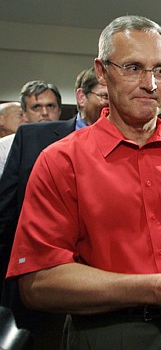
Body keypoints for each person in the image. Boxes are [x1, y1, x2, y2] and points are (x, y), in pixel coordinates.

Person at [6, 15, 161, 350]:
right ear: (101, 72)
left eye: (160, 70)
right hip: (105, 332)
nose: (150, 83)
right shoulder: (61, 161)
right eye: (133, 67)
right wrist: (155, 289)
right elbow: (38, 284)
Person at [0, 67, 108, 349]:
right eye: (104, 96)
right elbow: (7, 211)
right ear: (81, 98)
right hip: (36, 282)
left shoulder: (124, 146)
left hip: (97, 287)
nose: (110, 103)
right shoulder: (32, 138)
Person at [0, 80, 61, 178]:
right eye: (36, 107)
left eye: (50, 106)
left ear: (59, 110)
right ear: (24, 114)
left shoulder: (73, 143)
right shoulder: (4, 148)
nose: (45, 112)